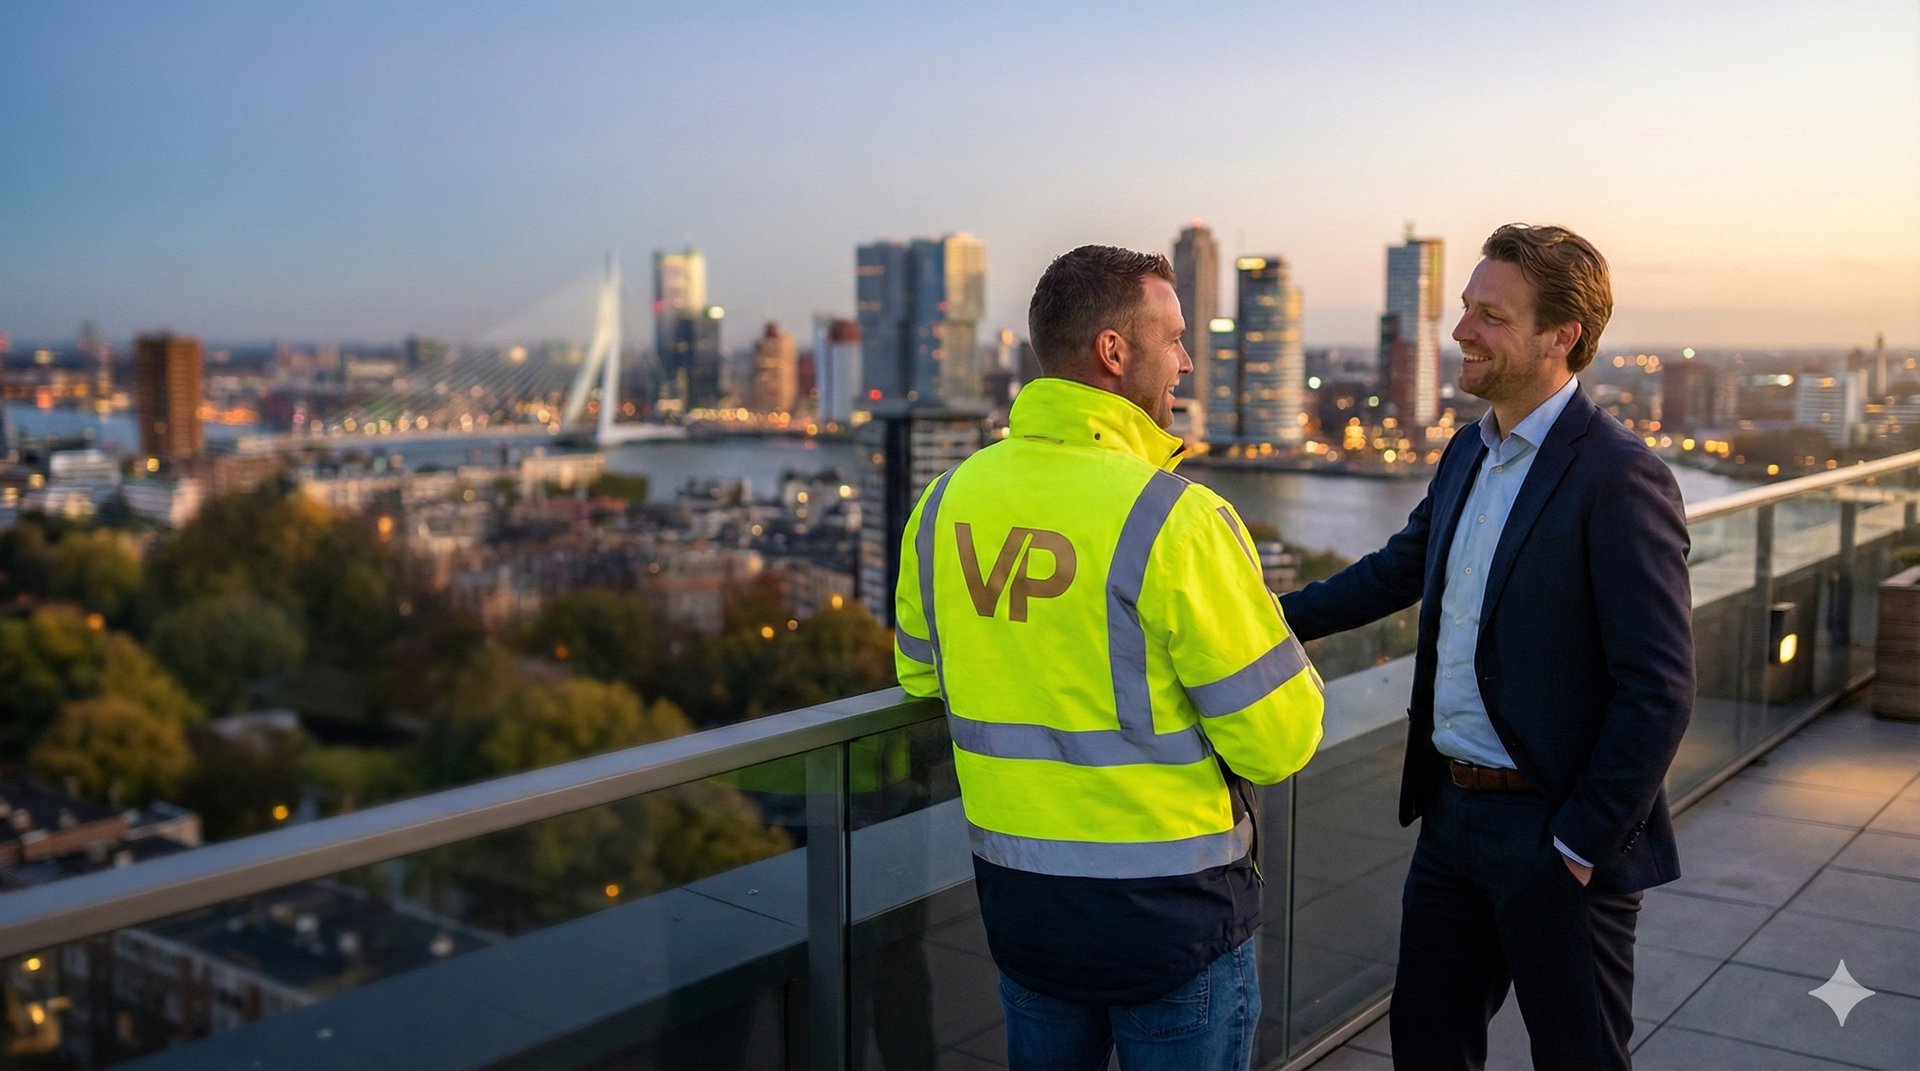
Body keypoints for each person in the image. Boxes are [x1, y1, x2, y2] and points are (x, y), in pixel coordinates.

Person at [894, 245, 1325, 1071]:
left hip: (1022, 910)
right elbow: (1279, 742)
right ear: (1114, 352)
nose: (1187, 360)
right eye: (1173, 338)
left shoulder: (946, 501)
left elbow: (921, 675)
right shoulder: (1178, 518)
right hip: (1171, 926)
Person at [1279, 224, 1694, 1070]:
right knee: (1426, 1047)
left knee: (1577, 1056)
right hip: (1452, 820)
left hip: (1556, 832)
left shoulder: (1619, 476)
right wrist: (1259, 619)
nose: (1461, 331)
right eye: (1465, 309)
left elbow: (1658, 687)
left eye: (1489, 315)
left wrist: (1579, 843)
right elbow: (1396, 570)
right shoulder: (1469, 449)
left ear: (1561, 336)